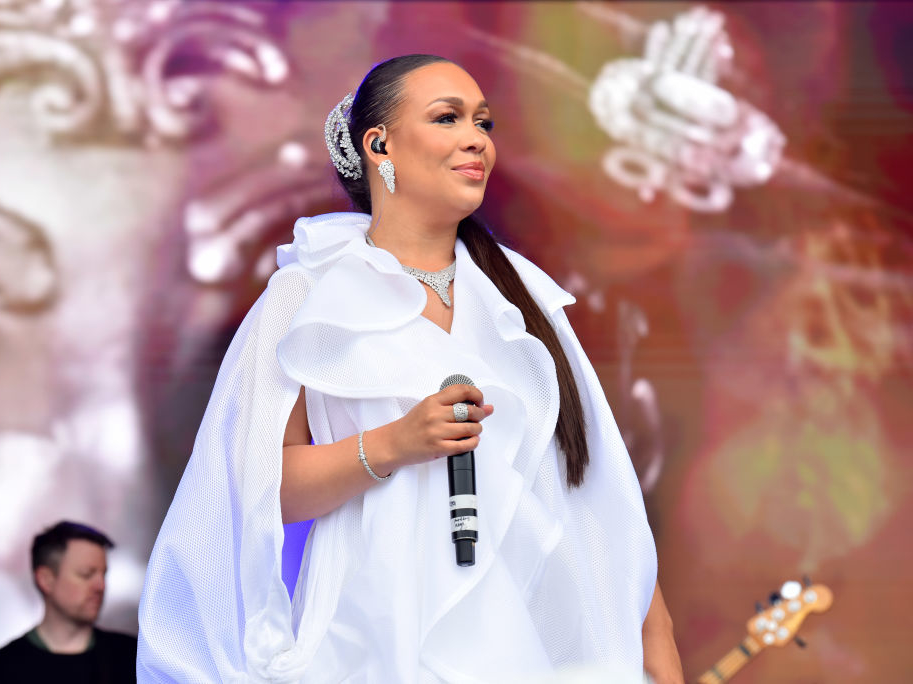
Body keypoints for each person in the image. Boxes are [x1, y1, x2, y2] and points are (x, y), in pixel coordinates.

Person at [137, 54, 684, 683]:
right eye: (447, 118)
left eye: (483, 121)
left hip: (525, 646)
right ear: (379, 144)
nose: (476, 138)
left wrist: (659, 653)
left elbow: (596, 499)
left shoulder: (521, 301)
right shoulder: (310, 293)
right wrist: (394, 443)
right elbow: (257, 487)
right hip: (367, 639)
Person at [0, 521, 136, 684]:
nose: (100, 586)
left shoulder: (135, 659)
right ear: (46, 580)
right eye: (86, 574)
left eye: (103, 574)